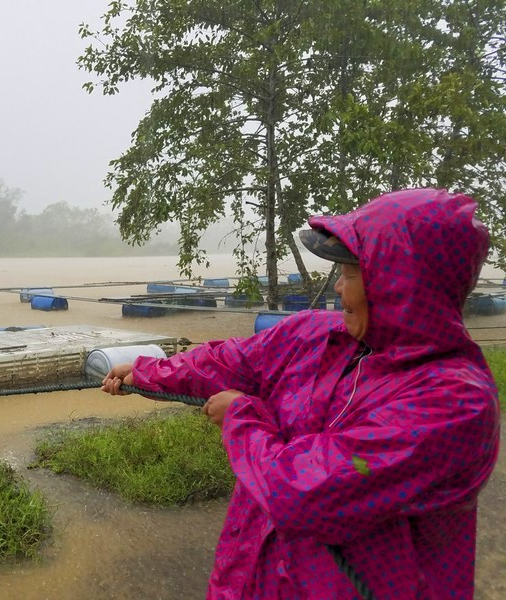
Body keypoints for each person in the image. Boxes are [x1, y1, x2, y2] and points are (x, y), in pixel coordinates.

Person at [101, 188, 500, 599]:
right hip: (253, 579)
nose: (339, 292)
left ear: (403, 284)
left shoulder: (453, 403)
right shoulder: (316, 334)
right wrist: (148, 372)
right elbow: (231, 360)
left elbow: (305, 492)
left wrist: (241, 418)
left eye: (350, 275)